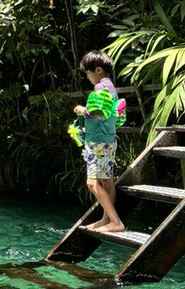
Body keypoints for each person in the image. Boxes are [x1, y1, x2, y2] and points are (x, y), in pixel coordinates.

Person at [74, 49, 125, 233]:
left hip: (98, 143)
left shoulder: (100, 88)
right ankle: (106, 219)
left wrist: (83, 111)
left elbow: (98, 113)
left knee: (92, 183)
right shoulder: (111, 89)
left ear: (98, 70)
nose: (88, 78)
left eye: (88, 73)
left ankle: (116, 221)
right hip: (108, 139)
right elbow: (107, 117)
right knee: (107, 182)